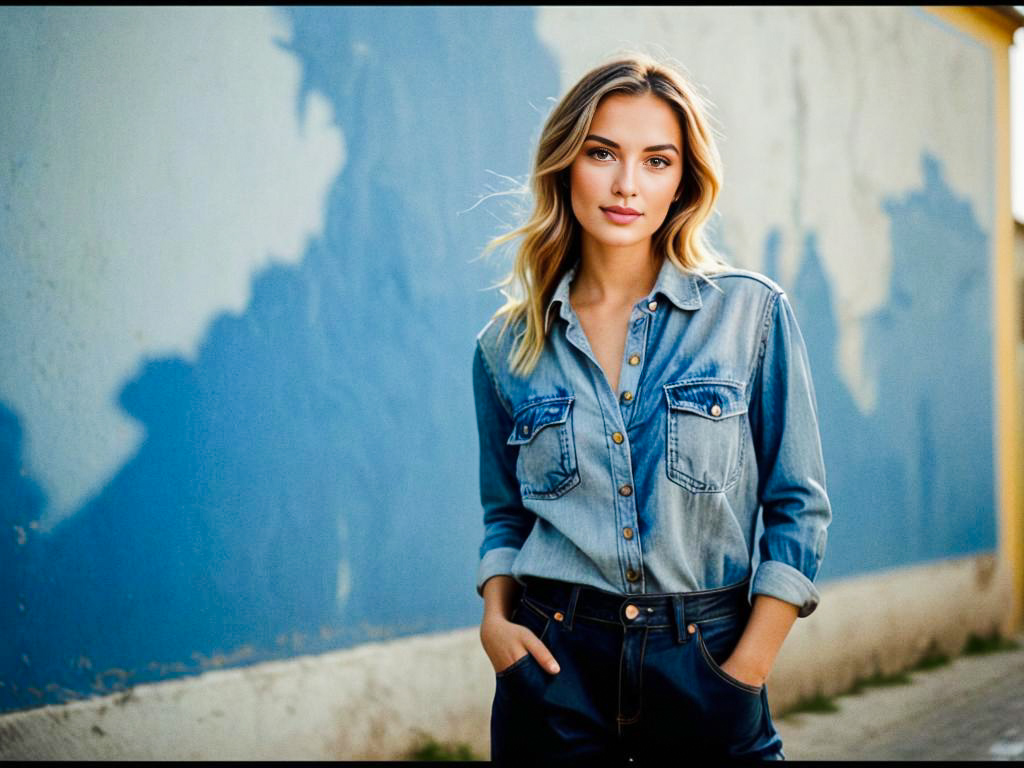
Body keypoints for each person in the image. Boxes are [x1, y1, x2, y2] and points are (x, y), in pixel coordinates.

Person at [471, 52, 831, 764]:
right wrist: (494, 621)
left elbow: (798, 506)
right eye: (602, 152)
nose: (627, 184)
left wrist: (746, 672)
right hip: (553, 664)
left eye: (657, 160)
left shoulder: (750, 315)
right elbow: (504, 513)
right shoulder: (505, 346)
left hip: (707, 660)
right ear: (565, 164)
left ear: (682, 182)